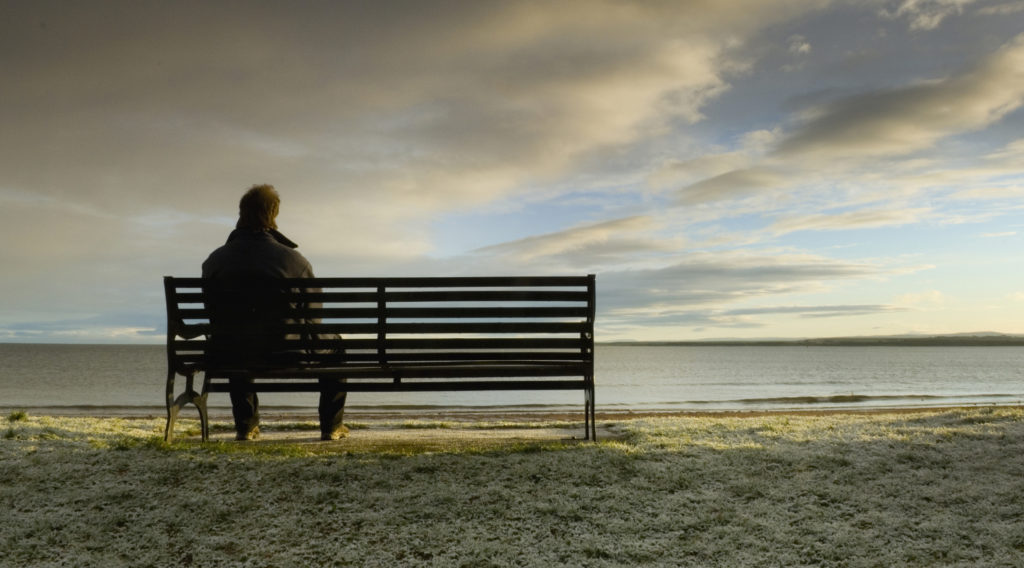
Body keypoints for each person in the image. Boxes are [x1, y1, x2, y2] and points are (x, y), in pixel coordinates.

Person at [202, 184, 347, 441]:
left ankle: (246, 426)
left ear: (241, 213)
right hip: (287, 351)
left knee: (236, 339)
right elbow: (314, 319)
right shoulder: (295, 260)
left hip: (232, 353)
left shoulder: (215, 260)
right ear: (273, 214)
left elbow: (214, 315)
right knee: (336, 346)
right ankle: (331, 426)